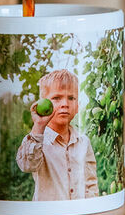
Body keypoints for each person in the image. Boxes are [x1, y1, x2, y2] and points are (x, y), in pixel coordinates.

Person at [16, 69, 99, 201]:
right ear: (42, 104)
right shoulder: (38, 140)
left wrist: (90, 206)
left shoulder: (84, 142)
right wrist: (38, 126)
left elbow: (90, 182)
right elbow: (27, 165)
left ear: (77, 106)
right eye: (56, 98)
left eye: (71, 98)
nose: (65, 104)